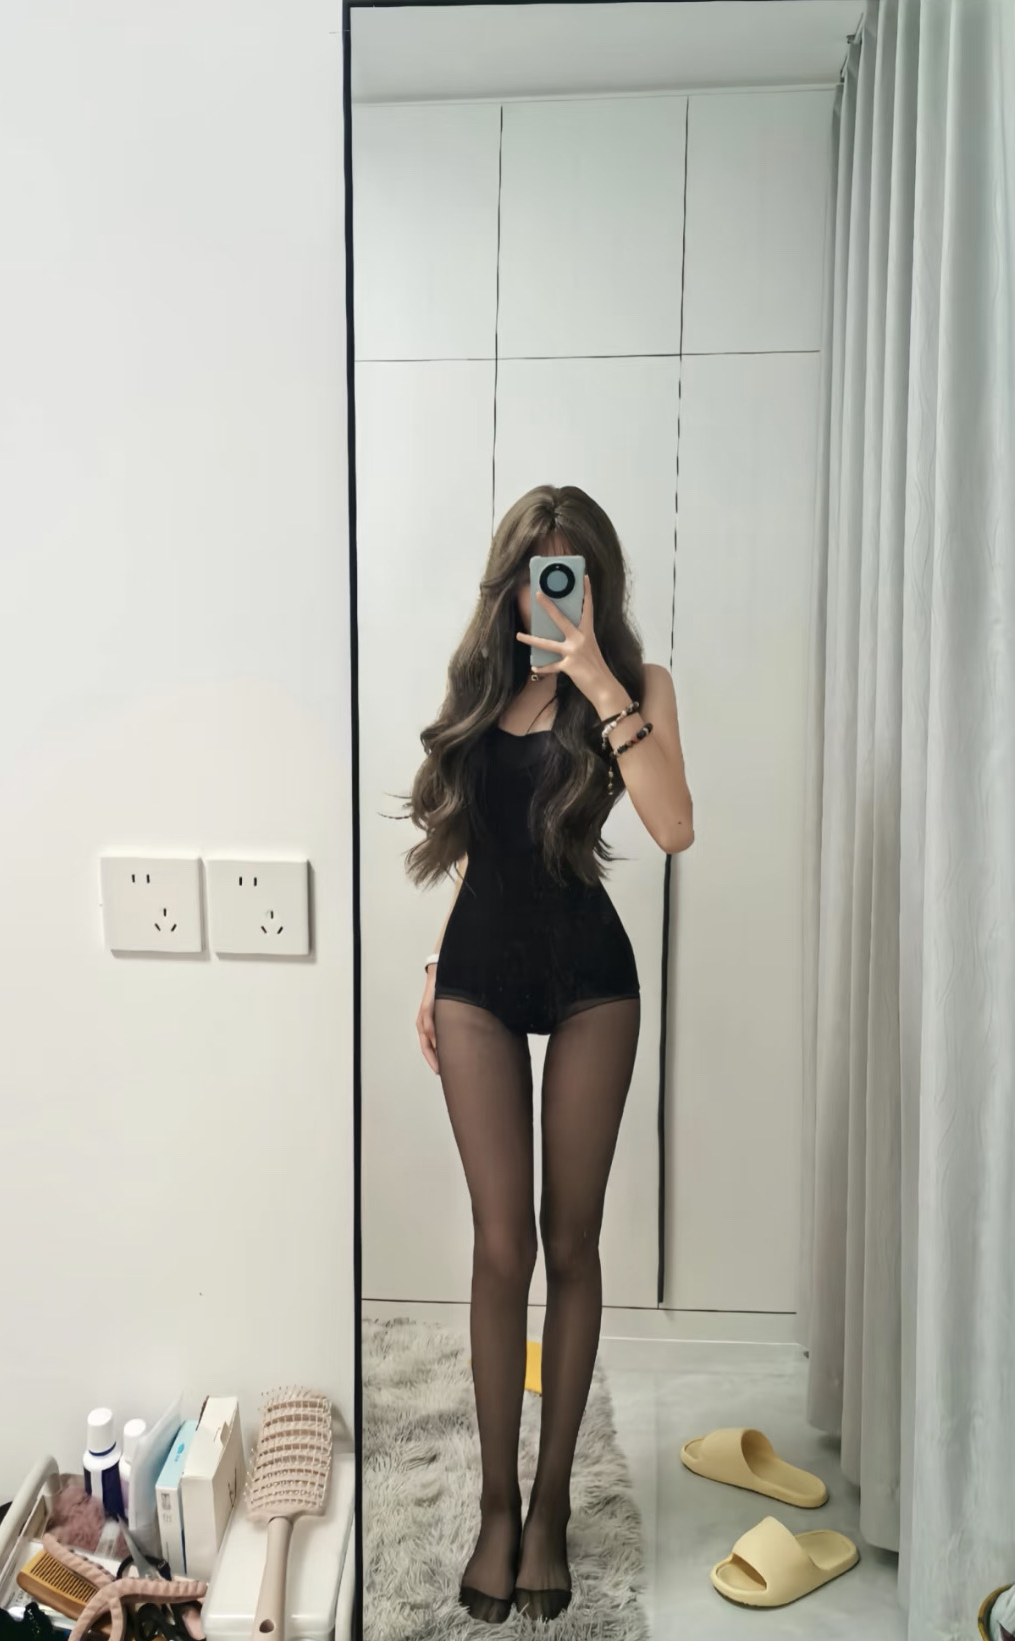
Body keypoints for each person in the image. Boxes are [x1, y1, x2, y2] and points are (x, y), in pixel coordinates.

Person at [403, 484, 694, 1624]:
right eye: (538, 569)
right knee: (500, 1246)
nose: (553, 588)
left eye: (572, 570)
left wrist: (602, 686)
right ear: (512, 581)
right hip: (478, 977)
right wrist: (437, 963)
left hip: (590, 984)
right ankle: (493, 1504)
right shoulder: (481, 686)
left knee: (571, 1242)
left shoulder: (636, 686)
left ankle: (553, 1503)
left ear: (599, 580)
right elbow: (479, 851)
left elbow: (674, 825)